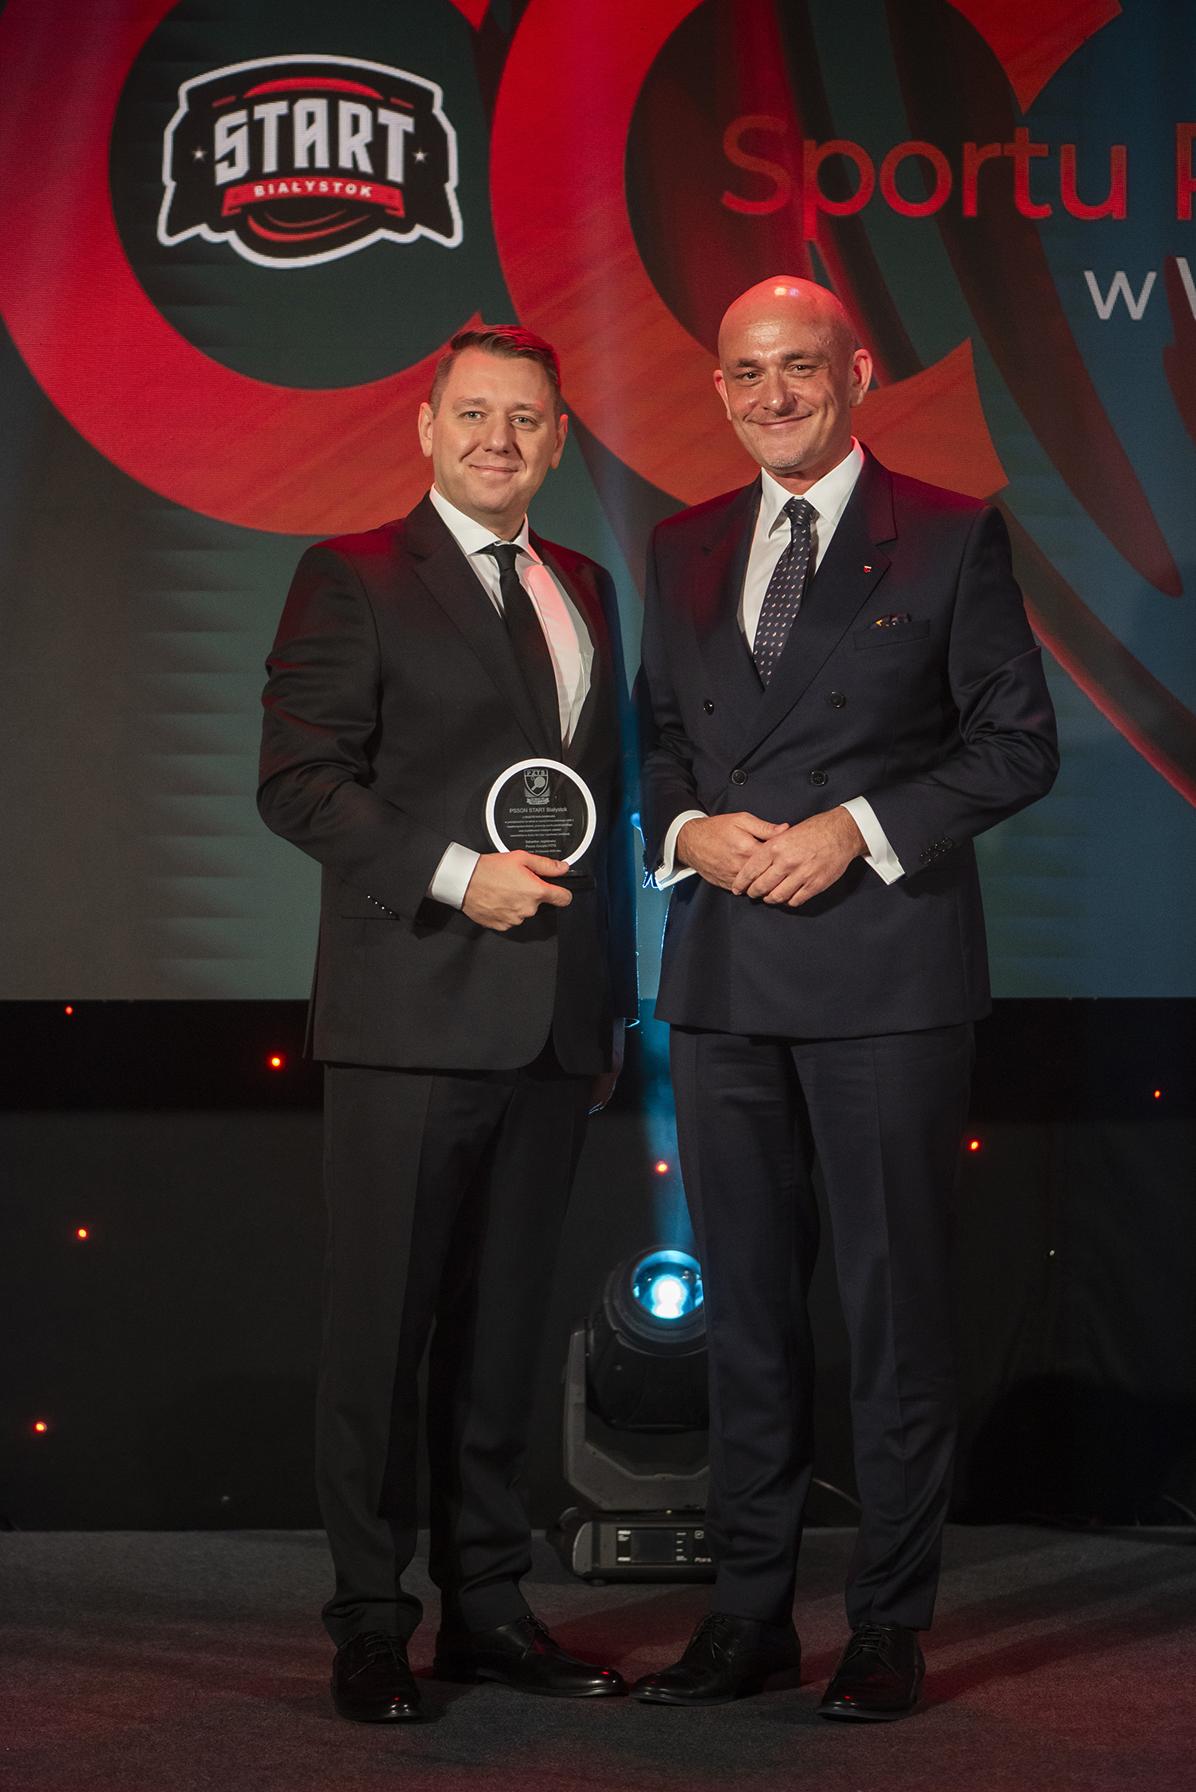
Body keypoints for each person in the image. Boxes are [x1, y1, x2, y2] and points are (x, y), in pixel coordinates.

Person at [632, 278, 1057, 1719]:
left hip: (885, 971)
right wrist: (689, 831)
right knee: (748, 1319)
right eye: (746, 373)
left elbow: (1016, 745)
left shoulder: (946, 532)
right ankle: (747, 1616)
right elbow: (658, 742)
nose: (773, 395)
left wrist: (856, 832)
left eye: (799, 367)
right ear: (719, 390)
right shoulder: (682, 544)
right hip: (725, 972)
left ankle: (886, 1624)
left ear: (857, 373)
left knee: (893, 1314)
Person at [258, 325, 637, 1722]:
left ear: (558, 439)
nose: (498, 439)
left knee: (503, 1339)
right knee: (382, 1337)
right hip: (411, 1015)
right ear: (425, 427)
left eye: (525, 418)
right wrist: (454, 873)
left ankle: (488, 1608)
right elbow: (299, 782)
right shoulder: (350, 574)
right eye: (472, 413)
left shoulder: (585, 585)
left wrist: (610, 1010)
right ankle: (372, 1621)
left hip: (555, 1032)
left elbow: (606, 808)